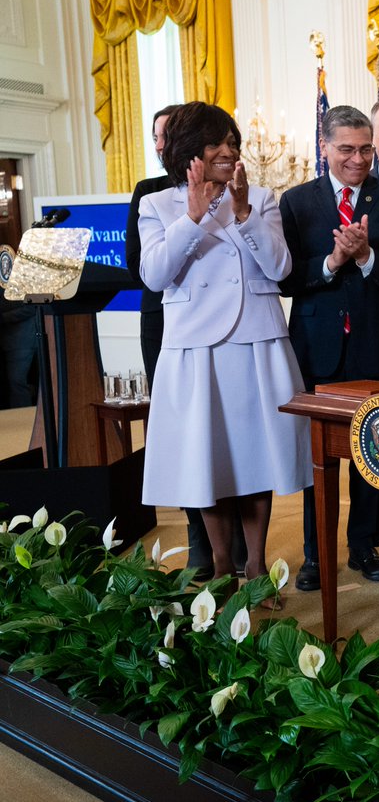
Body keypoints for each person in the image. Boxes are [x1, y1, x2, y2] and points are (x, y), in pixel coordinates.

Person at [138, 101, 311, 588]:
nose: (227, 151)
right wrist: (191, 219)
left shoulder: (261, 197)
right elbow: (153, 276)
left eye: (232, 142)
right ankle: (219, 563)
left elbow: (280, 269)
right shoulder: (157, 204)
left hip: (256, 342)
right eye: (216, 143)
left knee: (257, 457)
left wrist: (242, 214)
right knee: (206, 457)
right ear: (190, 151)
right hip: (197, 349)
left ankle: (255, 563)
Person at [280, 105, 379, 591]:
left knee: (369, 451)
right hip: (316, 347)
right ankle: (315, 555)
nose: (359, 158)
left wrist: (366, 258)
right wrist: (333, 260)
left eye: (366, 148)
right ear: (325, 148)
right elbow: (285, 278)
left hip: (375, 347)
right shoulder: (296, 203)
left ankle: (363, 546)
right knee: (319, 457)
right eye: (347, 149)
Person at [126, 103, 245, 581]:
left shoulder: (240, 194)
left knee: (231, 439)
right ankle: (201, 541)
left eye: (164, 135)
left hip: (228, 331)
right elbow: (149, 269)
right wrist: (190, 219)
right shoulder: (152, 195)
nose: (159, 144)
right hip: (167, 325)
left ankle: (237, 550)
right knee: (190, 437)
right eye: (156, 137)